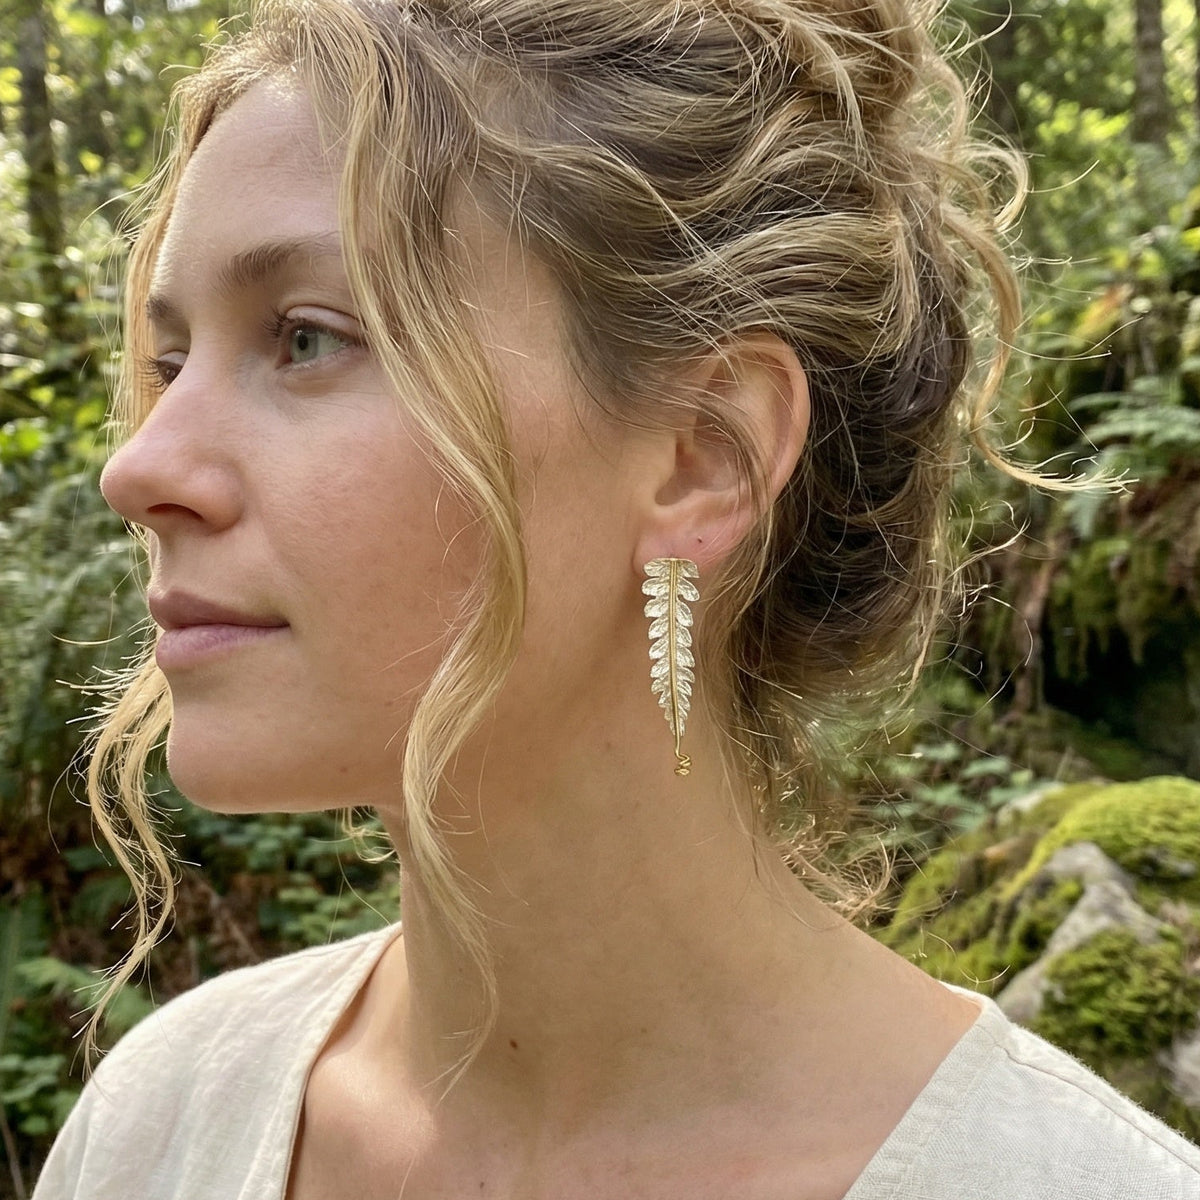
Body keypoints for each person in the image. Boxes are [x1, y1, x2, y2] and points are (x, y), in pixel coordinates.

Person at [32, 0, 1200, 1197]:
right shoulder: (160, 1122)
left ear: (705, 452)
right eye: (169, 362)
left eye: (309, 338)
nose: (142, 469)